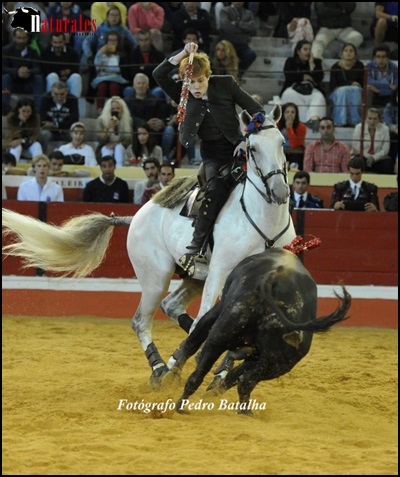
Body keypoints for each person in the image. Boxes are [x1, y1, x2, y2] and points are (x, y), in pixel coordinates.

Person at [153, 41, 264, 273]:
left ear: (209, 76)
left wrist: (245, 139)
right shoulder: (182, 92)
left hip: (239, 148)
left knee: (270, 180)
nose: (196, 87)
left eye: (201, 80)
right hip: (213, 155)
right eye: (191, 82)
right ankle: (195, 248)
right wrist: (183, 53)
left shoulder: (226, 84)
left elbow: (258, 111)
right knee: (214, 190)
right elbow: (158, 73)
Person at [280, 40, 326, 130]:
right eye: (305, 49)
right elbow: (288, 74)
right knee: (288, 94)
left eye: (310, 49)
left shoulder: (316, 62)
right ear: (298, 51)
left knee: (319, 97)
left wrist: (312, 66)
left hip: (311, 90)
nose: (308, 52)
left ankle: (313, 120)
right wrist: (302, 77)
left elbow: (319, 78)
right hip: (294, 89)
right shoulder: (291, 61)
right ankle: (299, 121)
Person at [2, 29, 44, 112]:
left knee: (38, 78)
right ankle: (5, 108)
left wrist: (29, 71)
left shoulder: (33, 51)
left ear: (27, 38)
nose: (21, 41)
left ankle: (38, 110)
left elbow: (38, 68)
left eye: (23, 38)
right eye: (19, 38)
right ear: (14, 38)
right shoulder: (6, 50)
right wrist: (17, 72)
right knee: (5, 77)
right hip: (12, 82)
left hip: (28, 82)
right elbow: (3, 68)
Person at [91, 31, 129, 110]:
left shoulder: (122, 55)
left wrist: (106, 69)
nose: (112, 43)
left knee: (113, 86)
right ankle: (100, 109)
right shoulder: (101, 53)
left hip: (117, 78)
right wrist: (100, 52)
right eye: (110, 40)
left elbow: (122, 70)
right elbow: (96, 67)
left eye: (115, 40)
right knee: (102, 86)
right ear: (106, 42)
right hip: (102, 78)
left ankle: (115, 109)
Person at [329, 43, 365, 127]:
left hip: (355, 91)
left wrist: (353, 85)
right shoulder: (336, 67)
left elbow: (361, 83)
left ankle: (355, 121)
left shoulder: (359, 65)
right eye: (346, 51)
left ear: (355, 54)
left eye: (351, 51)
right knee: (344, 90)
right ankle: (340, 121)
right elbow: (333, 85)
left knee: (356, 90)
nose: (348, 53)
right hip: (338, 92)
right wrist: (350, 83)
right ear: (342, 53)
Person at [39, 81, 79, 154]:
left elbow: (74, 120)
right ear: (51, 93)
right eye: (56, 94)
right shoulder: (45, 98)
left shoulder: (73, 99)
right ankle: (43, 156)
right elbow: (42, 119)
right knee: (44, 134)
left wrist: (55, 125)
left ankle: (72, 156)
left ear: (66, 92)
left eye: (62, 94)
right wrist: (59, 126)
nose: (59, 97)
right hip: (50, 131)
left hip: (66, 130)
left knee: (76, 134)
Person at [219, 2, 257, 77]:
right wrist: (244, 30)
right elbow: (226, 27)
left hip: (242, 43)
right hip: (228, 42)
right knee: (222, 53)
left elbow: (252, 27)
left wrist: (237, 24)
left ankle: (237, 74)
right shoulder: (225, 11)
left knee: (251, 55)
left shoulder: (248, 13)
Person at [40, 32, 82, 99]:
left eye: (60, 42)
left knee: (76, 77)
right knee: (52, 76)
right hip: (54, 79)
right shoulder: (45, 52)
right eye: (55, 42)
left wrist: (60, 73)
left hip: (68, 79)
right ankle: (51, 101)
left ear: (64, 41)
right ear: (51, 42)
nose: (58, 45)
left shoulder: (72, 52)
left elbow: (75, 69)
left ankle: (74, 102)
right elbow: (45, 70)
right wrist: (61, 73)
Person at [351, 107, 393, 175]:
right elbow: (356, 147)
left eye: (375, 119)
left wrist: (373, 158)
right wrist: (368, 157)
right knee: (357, 162)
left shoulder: (385, 129)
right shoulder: (359, 127)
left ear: (379, 119)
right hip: (363, 157)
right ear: (365, 119)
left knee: (388, 164)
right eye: (370, 118)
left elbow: (385, 149)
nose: (372, 122)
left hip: (378, 159)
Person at [96, 96, 133, 167]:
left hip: (122, 147)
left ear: (122, 110)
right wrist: (107, 127)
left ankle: (119, 168)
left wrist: (116, 144)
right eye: (113, 109)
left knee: (118, 148)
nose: (116, 111)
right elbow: (100, 140)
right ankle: (106, 168)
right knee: (107, 149)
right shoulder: (101, 120)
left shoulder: (128, 120)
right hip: (106, 146)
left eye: (118, 108)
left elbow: (129, 139)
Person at [3, 97, 43, 164]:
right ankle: (12, 166)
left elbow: (35, 135)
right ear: (18, 109)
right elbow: (11, 135)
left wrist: (22, 140)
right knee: (17, 146)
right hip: (13, 142)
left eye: (28, 112)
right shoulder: (11, 117)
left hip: (28, 142)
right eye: (23, 111)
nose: (26, 114)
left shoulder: (36, 118)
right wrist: (20, 123)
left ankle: (39, 165)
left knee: (37, 145)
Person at [366, 43, 398, 109]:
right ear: (374, 57)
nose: (381, 60)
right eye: (378, 57)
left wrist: (379, 91)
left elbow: (395, 88)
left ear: (388, 58)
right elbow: (369, 81)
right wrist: (388, 85)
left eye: (383, 57)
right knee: (368, 90)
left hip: (390, 95)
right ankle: (366, 114)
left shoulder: (394, 68)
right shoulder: (369, 66)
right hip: (374, 94)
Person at [277, 102, 306, 171]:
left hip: (295, 153)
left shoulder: (301, 127)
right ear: (283, 114)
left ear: (296, 114)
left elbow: (294, 145)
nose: (290, 114)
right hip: (279, 152)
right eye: (287, 112)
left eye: (292, 112)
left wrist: (289, 128)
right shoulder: (277, 125)